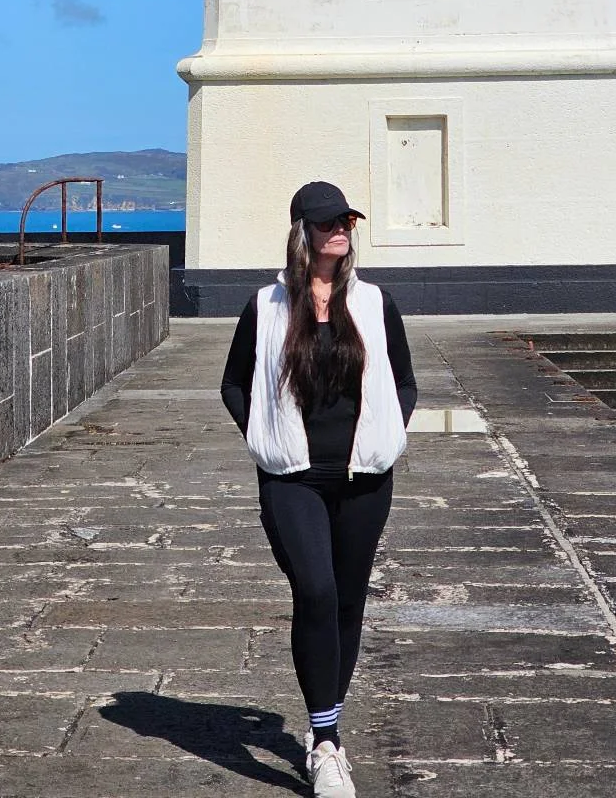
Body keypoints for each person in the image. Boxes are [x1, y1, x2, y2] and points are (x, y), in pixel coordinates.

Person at [220, 181, 417, 798]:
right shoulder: (267, 305)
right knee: (317, 588)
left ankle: (323, 723)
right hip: (292, 477)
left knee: (349, 600)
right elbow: (233, 384)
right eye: (331, 221)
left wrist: (387, 434)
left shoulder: (376, 302)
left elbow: (405, 383)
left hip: (365, 476)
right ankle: (327, 745)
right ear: (303, 229)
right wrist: (266, 437)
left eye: (348, 221)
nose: (343, 229)